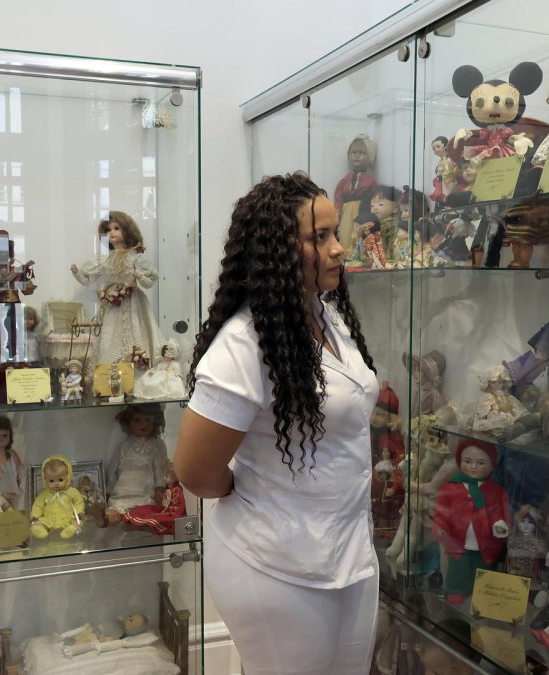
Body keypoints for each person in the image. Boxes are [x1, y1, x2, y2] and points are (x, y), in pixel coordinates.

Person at [174, 173, 379, 675]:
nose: (339, 248)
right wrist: (259, 490)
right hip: (274, 564)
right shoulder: (243, 345)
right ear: (274, 251)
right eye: (320, 238)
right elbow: (197, 473)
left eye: (336, 234)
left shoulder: (327, 316)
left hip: (349, 550)